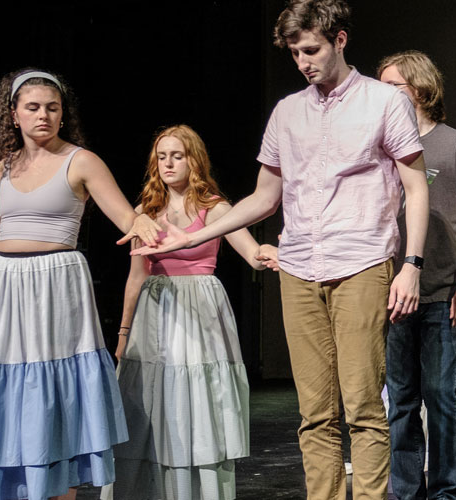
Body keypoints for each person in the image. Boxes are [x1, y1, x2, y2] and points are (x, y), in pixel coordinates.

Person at [134, 2, 430, 498]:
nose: (303, 62)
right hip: (297, 267)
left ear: (339, 39)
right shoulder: (287, 111)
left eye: (311, 49)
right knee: (314, 411)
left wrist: (412, 265)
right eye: (295, 53)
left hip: (362, 262)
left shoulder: (384, 102)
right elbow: (264, 197)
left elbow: (416, 188)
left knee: (362, 405)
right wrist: (194, 235)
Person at [0, 68, 162, 500]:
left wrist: (141, 223)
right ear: (13, 115)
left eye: (52, 108)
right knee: (4, 383)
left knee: (55, 386)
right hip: (4, 285)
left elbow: (124, 214)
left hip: (56, 283)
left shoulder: (81, 161)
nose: (43, 115)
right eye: (33, 108)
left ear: (63, 114)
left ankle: (60, 488)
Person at [103, 125, 266, 500]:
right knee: (151, 401)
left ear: (194, 160)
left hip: (198, 311)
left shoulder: (214, 208)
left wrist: (270, 253)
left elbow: (251, 254)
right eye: (161, 157)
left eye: (177, 155)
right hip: (154, 312)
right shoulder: (146, 211)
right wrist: (124, 335)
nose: (168, 164)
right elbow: (135, 277)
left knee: (197, 401)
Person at [375, 51, 456, 500]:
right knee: (400, 400)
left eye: (392, 86)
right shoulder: (380, 143)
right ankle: (405, 491)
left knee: (440, 398)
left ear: (418, 89)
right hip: (391, 292)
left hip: (440, 289)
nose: (382, 94)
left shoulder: (454, 144)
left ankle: (443, 491)